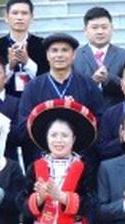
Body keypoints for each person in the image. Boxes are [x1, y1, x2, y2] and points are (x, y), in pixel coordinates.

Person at [14, 33, 106, 161]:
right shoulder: (33, 86)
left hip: (81, 158)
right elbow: (24, 126)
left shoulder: (88, 85)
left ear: (74, 55)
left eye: (65, 50)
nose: (59, 55)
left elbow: (99, 122)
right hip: (42, 158)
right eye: (54, 50)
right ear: (47, 55)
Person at [0, 0, 46, 98]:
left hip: (37, 99)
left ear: (32, 18)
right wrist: (9, 66)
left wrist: (27, 62)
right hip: (5, 102)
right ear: (6, 17)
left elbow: (47, 79)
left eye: (24, 13)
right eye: (15, 13)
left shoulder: (43, 45)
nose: (19, 17)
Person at [72, 7, 125, 97]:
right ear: (85, 30)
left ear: (112, 29)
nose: (100, 32)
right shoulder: (75, 56)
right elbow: (71, 88)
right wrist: (92, 81)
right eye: (95, 28)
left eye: (104, 27)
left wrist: (108, 78)